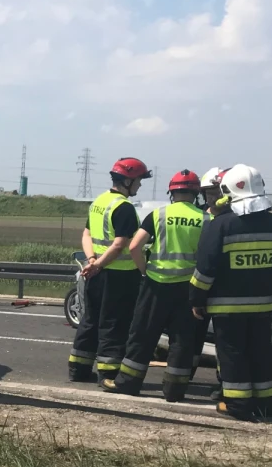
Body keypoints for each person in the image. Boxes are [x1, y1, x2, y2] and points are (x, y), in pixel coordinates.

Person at [190, 164, 272, 420]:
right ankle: (268, 405)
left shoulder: (221, 224)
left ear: (226, 191)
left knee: (232, 354)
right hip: (262, 307)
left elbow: (205, 269)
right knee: (261, 353)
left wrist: (197, 299)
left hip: (226, 308)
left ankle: (237, 405)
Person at [102, 170, 205, 401]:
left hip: (156, 286)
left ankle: (128, 383)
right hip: (188, 288)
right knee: (182, 340)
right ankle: (174, 390)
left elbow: (134, 246)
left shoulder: (158, 215)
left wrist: (145, 270)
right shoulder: (205, 219)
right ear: (196, 192)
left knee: (142, 335)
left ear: (172, 192)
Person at [68, 157, 151, 384]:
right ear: (127, 181)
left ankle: (78, 369)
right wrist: (100, 264)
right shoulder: (123, 207)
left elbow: (86, 234)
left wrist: (92, 261)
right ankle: (109, 373)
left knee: (90, 320)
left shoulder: (99, 201)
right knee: (114, 323)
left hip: (96, 273)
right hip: (119, 275)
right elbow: (120, 244)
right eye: (138, 181)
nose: (140, 185)